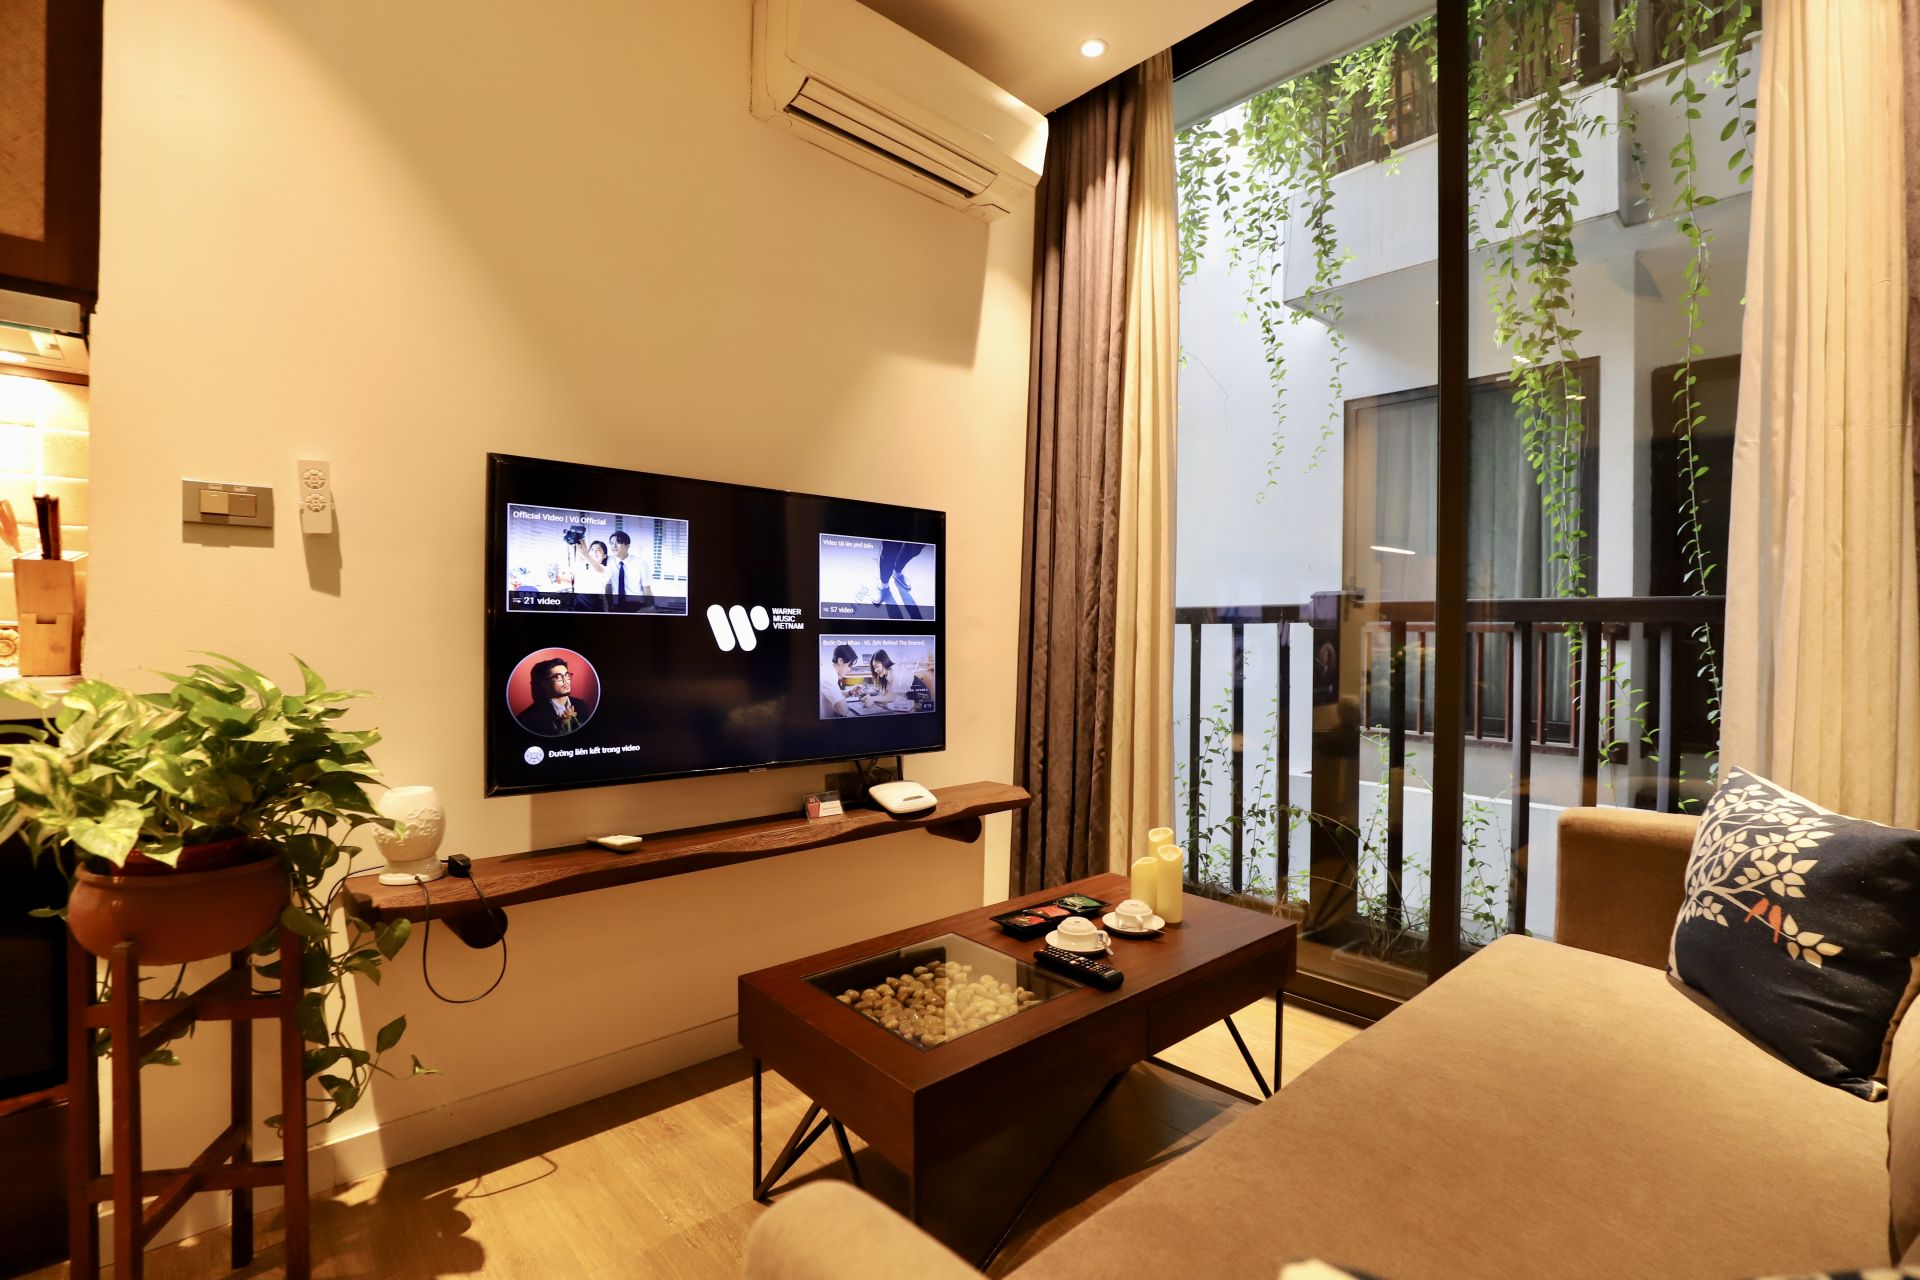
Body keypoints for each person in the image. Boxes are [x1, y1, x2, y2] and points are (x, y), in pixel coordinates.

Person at [516, 657, 593, 736]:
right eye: (558, 676)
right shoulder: (528, 717)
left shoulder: (581, 705)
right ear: (545, 684)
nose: (565, 680)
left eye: (566, 675)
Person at [866, 647, 935, 711]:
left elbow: (892, 697)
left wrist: (873, 699)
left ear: (884, 662)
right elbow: (888, 694)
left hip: (920, 697)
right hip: (910, 699)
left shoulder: (896, 671)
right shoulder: (887, 674)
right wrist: (870, 697)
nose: (875, 670)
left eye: (876, 666)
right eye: (874, 668)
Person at [605, 530, 654, 612]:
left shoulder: (641, 563)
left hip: (636, 606)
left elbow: (647, 589)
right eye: (612, 543)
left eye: (618, 543)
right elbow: (607, 587)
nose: (614, 546)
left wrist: (650, 608)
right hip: (615, 606)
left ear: (627, 546)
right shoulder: (608, 561)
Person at [820, 643, 858, 717]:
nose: (849, 669)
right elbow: (843, 711)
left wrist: (850, 692)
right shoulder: (829, 675)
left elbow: (834, 693)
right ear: (840, 661)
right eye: (849, 665)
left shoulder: (829, 669)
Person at [574, 540, 610, 609]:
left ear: (604, 556)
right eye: (592, 550)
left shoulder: (606, 569)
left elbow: (597, 569)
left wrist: (586, 554)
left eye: (598, 550)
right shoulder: (583, 566)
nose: (594, 552)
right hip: (579, 601)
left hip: (596, 604)